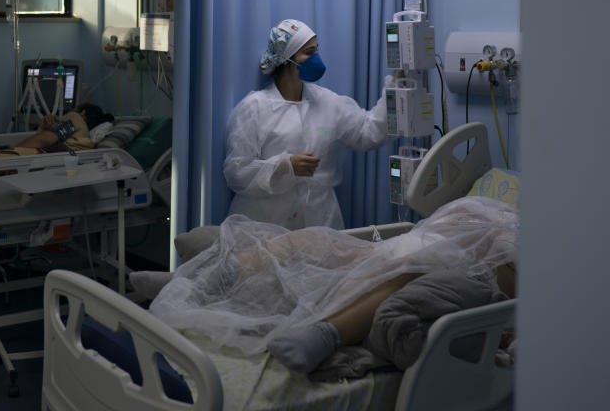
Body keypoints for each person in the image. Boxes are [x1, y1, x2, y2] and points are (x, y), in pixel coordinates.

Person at [144, 195, 518, 375]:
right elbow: (425, 228)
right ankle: (191, 283)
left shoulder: (522, 241)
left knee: (408, 271)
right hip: (385, 251)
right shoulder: (483, 204)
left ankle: (324, 336)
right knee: (305, 240)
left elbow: (507, 298)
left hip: (419, 270)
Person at [224, 19, 394, 230]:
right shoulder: (254, 108)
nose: (317, 59)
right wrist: (285, 166)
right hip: (265, 224)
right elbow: (236, 173)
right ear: (286, 59)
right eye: (308, 53)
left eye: (316, 51)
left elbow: (369, 132)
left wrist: (396, 91)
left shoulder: (328, 103)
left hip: (319, 221)